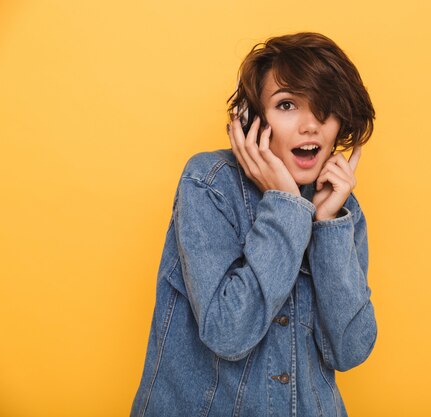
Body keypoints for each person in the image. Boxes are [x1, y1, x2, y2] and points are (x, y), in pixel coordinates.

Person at [130, 32, 377, 417]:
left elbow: (349, 351)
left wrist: (328, 224)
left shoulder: (340, 207)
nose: (310, 125)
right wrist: (286, 208)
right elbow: (228, 333)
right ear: (254, 120)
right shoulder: (209, 184)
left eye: (324, 108)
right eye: (288, 105)